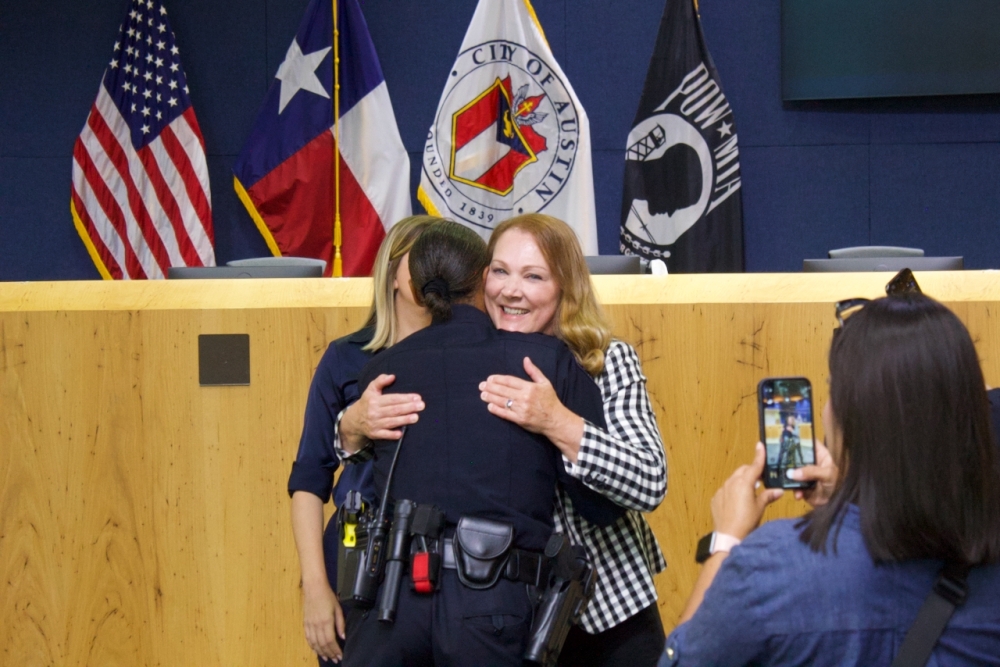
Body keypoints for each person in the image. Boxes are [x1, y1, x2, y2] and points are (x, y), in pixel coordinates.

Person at [337, 220, 620, 667]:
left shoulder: (384, 372)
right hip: (493, 605)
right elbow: (603, 507)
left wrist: (346, 430)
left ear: (412, 285)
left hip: (394, 603)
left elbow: (360, 462)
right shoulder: (543, 365)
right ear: (482, 277)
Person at [662, 293, 1000, 666]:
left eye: (831, 390)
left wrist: (724, 543)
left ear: (850, 418)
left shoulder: (767, 570)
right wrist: (854, 492)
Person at [476, 214, 669, 666]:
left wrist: (557, 421)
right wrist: (351, 426)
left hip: (610, 608)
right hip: (505, 617)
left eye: (534, 276)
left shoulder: (606, 361)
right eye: (500, 271)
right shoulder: (465, 359)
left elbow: (649, 480)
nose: (510, 290)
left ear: (566, 286)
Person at [287, 215, 438, 665]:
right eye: (422, 259)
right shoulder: (345, 357)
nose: (436, 269)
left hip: (441, 560)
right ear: (393, 274)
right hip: (359, 555)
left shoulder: (468, 353)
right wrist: (315, 587)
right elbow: (308, 480)